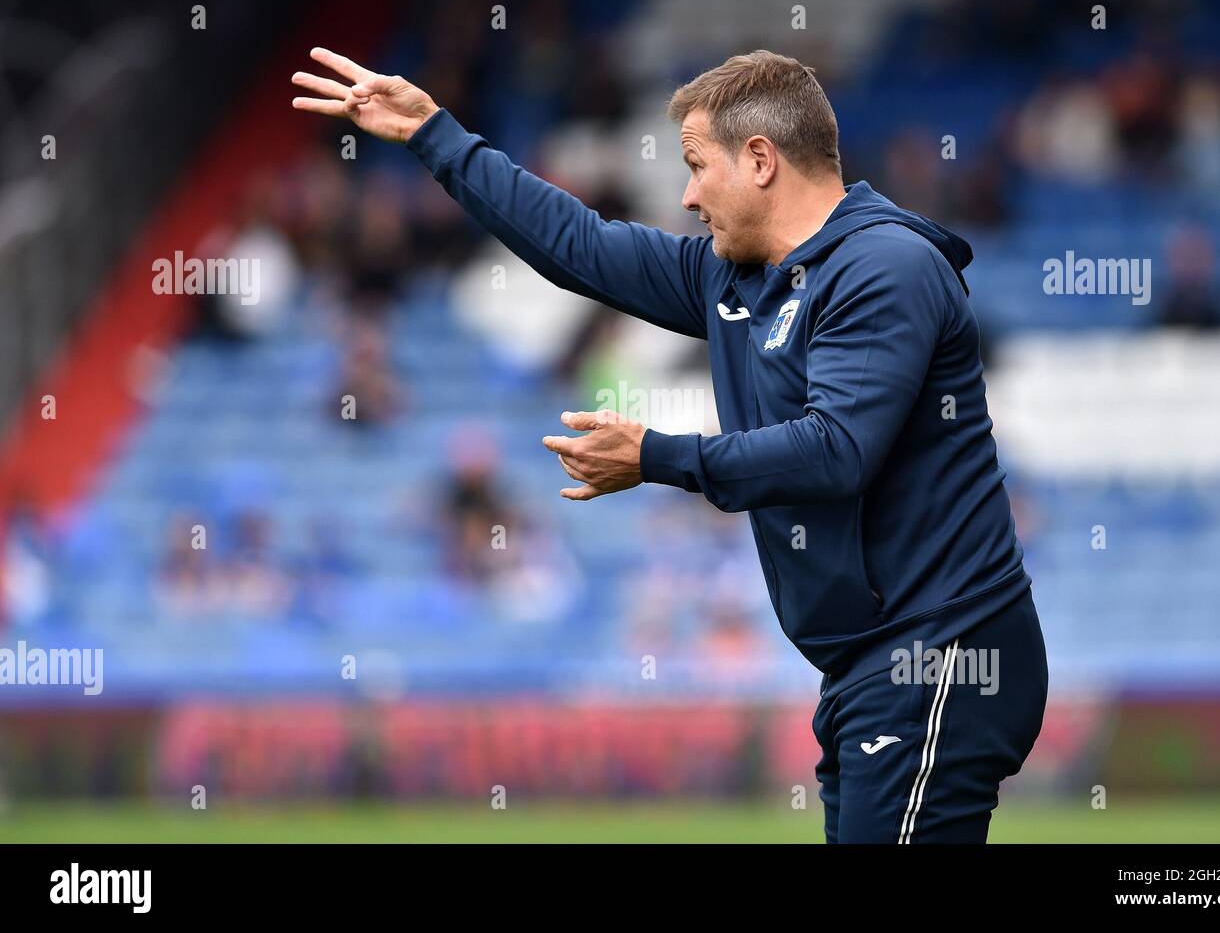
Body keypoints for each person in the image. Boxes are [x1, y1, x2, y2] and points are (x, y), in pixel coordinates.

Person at [292, 47, 1048, 843]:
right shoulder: (737, 280)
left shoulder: (884, 266)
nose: (687, 196)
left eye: (696, 166)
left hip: (941, 655)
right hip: (872, 664)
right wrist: (434, 136)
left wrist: (656, 456)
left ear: (760, 160)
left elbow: (837, 451)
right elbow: (580, 246)